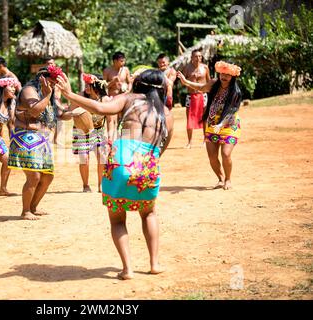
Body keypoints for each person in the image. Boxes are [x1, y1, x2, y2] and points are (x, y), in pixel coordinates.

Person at [57, 69, 168, 280]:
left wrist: (70, 95)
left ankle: (127, 269)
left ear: (139, 84)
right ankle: (154, 264)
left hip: (119, 164)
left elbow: (100, 107)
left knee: (117, 220)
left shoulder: (128, 98)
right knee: (149, 214)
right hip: (147, 165)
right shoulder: (165, 113)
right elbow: (161, 148)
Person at [9, 65, 71, 220]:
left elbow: (62, 115)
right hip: (25, 136)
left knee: (47, 176)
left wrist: (75, 102)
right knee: (34, 177)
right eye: (52, 81)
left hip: (41, 140)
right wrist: (48, 94)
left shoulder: (47, 95)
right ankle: (25, 211)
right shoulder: (29, 90)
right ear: (42, 78)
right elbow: (35, 110)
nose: (54, 85)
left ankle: (33, 207)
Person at [177, 61, 242, 190]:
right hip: (212, 124)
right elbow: (201, 88)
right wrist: (186, 82)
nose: (224, 77)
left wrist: (221, 124)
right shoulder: (213, 84)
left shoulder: (235, 91)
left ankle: (228, 180)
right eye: (222, 74)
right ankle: (220, 179)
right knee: (212, 157)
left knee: (226, 154)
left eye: (227, 75)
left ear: (233, 77)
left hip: (229, 124)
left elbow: (231, 112)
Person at [69, 73, 110, 193]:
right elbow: (71, 111)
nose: (86, 86)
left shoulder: (105, 100)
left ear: (97, 86)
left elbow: (111, 120)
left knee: (102, 157)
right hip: (82, 131)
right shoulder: (81, 96)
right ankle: (85, 185)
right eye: (86, 84)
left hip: (99, 131)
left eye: (89, 85)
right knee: (84, 159)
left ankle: (101, 184)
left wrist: (111, 136)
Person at [182, 49, 210, 148]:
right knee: (189, 119)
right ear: (192, 58)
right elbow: (182, 81)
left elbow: (209, 82)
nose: (198, 58)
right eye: (196, 56)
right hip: (190, 95)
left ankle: (205, 140)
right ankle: (189, 142)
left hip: (203, 95)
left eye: (199, 56)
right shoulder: (187, 68)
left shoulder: (205, 68)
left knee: (204, 118)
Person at [103, 52, 133, 144]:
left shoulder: (126, 70)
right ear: (115, 61)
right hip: (112, 98)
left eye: (124, 61)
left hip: (124, 98)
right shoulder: (107, 71)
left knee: (124, 119)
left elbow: (130, 82)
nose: (123, 63)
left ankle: (123, 140)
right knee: (111, 120)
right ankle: (110, 139)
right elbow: (103, 86)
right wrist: (113, 81)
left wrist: (128, 90)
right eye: (121, 61)